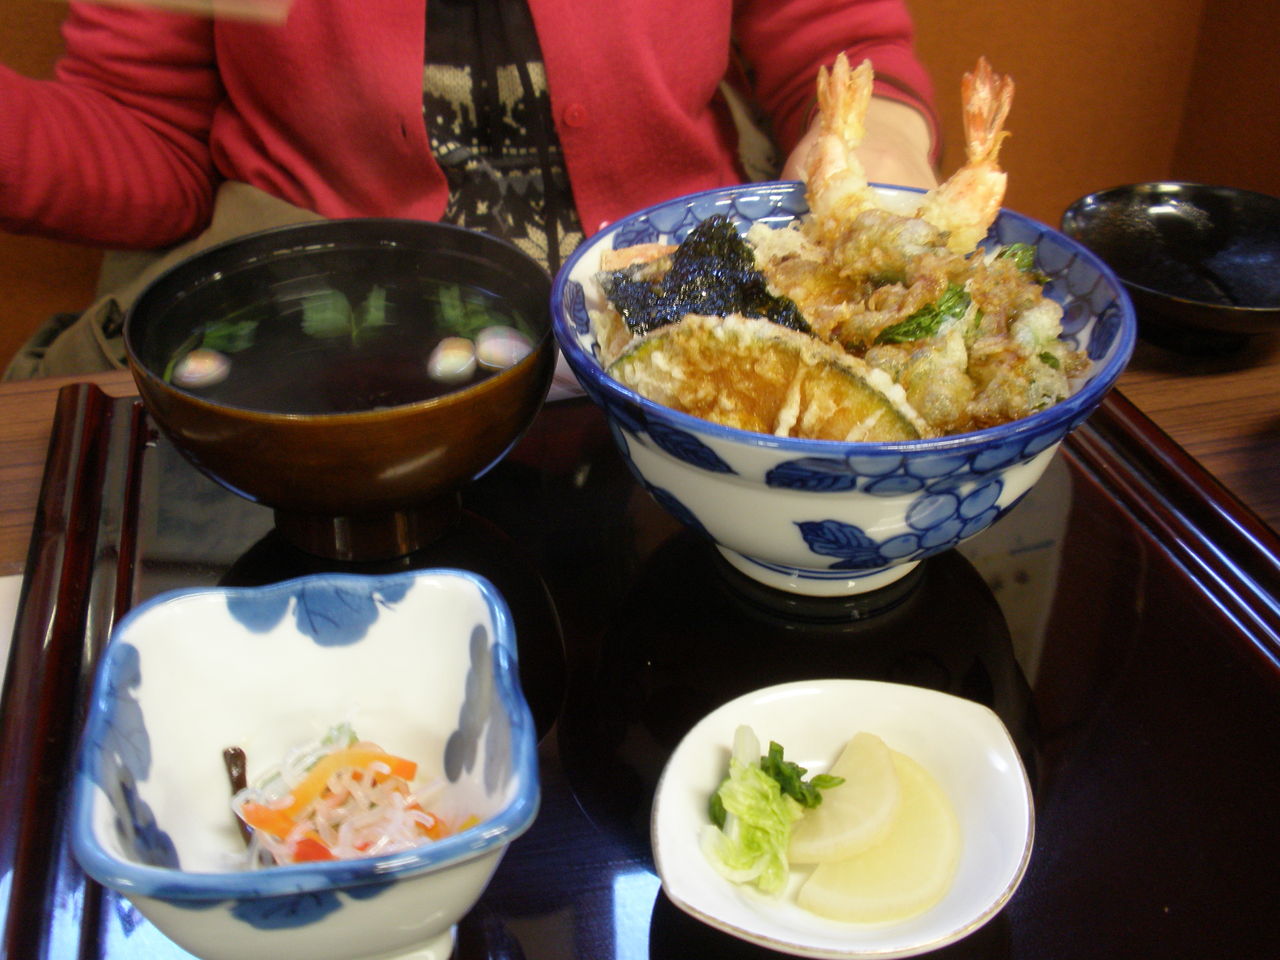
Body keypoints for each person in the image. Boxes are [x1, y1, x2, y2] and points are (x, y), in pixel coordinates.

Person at [0, 0, 938, 380]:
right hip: (323, 358)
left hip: (682, 311)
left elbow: (834, 38)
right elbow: (151, 141)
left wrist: (877, 144)